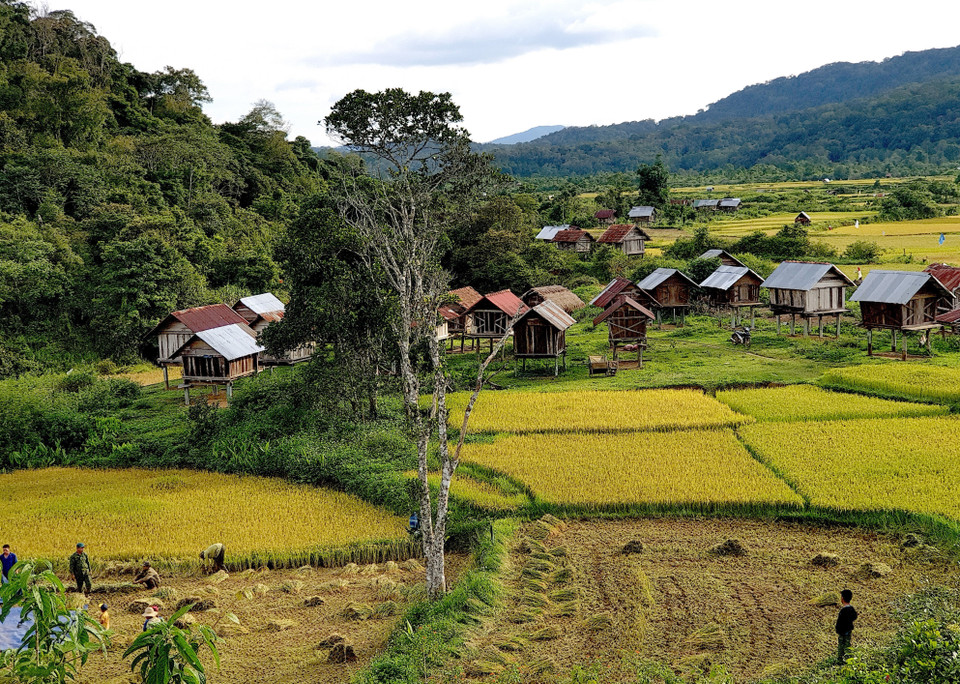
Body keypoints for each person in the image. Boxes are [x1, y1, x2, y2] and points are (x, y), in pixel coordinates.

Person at [836, 588, 858, 663]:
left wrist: (838, 629)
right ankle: (848, 658)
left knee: (841, 646)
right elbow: (855, 616)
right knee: (847, 644)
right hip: (848, 630)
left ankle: (840, 660)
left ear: (842, 598)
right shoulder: (851, 609)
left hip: (842, 631)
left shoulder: (843, 611)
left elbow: (839, 622)